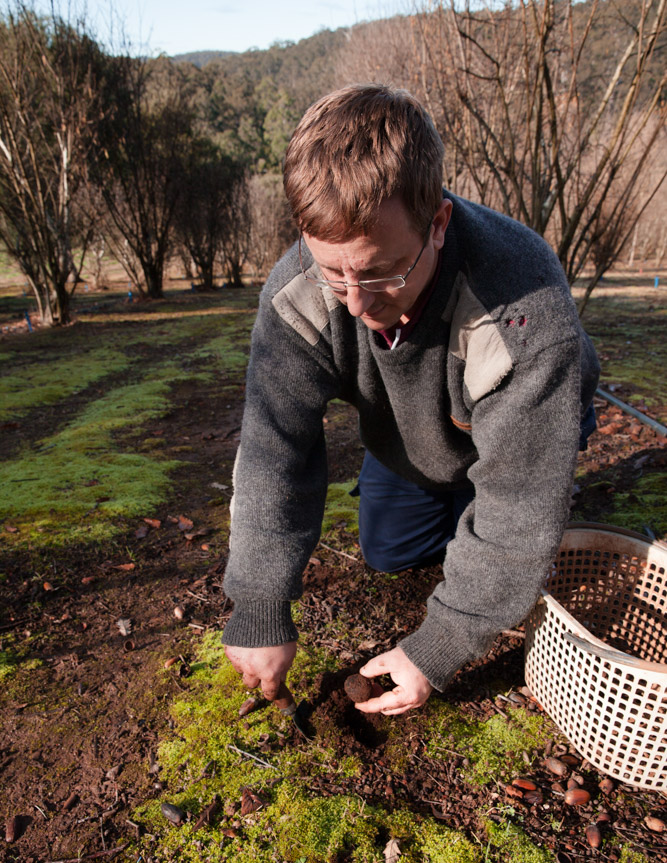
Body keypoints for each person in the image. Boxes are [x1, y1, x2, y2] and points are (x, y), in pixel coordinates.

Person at [222, 84, 600, 716]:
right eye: (333, 271)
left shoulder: (524, 309)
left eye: (382, 272)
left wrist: (440, 644)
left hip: (526, 417)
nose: (356, 303)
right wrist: (260, 601)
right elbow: (274, 450)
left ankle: (497, 520)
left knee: (519, 518)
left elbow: (518, 503)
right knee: (389, 548)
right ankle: (458, 505)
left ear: (439, 224)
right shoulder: (298, 292)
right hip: (414, 432)